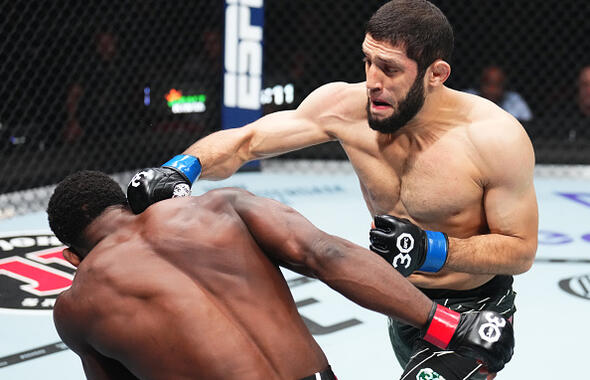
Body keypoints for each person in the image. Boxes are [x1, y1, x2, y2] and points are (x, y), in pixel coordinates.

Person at [127, 1, 538, 378]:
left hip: (476, 307)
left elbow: (520, 249)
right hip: (399, 300)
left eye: (390, 69)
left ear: (436, 74)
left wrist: (433, 248)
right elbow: (246, 141)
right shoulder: (344, 107)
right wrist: (181, 168)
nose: (373, 81)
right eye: (368, 62)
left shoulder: (493, 138)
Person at [49, 171, 514, 379]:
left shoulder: (75, 306)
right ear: (126, 205)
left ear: (72, 255)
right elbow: (327, 255)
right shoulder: (222, 204)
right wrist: (449, 324)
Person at [464, 65, 533, 122]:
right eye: (488, 84)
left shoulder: (514, 100)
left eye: (497, 85)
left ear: (504, 86)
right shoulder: (468, 97)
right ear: (480, 84)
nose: (492, 90)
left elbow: (527, 121)